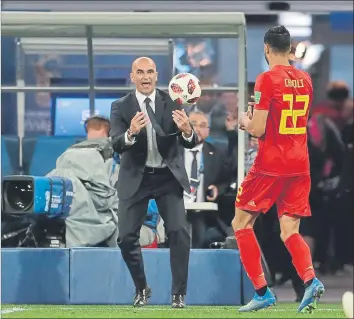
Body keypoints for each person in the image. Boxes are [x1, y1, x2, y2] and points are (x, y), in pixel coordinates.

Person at [233, 26, 325, 313]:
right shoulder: (306, 79)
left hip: (271, 164)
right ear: (290, 48)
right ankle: (310, 280)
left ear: (266, 48)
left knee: (241, 224)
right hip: (300, 164)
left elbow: (259, 129)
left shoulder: (266, 78)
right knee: (289, 231)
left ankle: (262, 291)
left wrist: (245, 121)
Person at [110, 57, 197, 308]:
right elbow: (115, 143)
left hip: (167, 177)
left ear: (157, 75)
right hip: (136, 177)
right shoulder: (120, 106)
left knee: (179, 232)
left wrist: (187, 131)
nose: (146, 76)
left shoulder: (173, 101)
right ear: (132, 76)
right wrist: (131, 133)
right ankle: (141, 288)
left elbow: (190, 142)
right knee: (126, 238)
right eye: (140, 72)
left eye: (150, 72)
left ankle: (178, 294)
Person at [184, 111, 233, 248]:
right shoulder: (173, 152)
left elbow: (228, 180)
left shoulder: (217, 154)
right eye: (193, 124)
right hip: (175, 211)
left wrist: (218, 189)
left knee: (201, 241)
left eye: (203, 125)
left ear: (208, 131)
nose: (198, 129)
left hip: (203, 213)